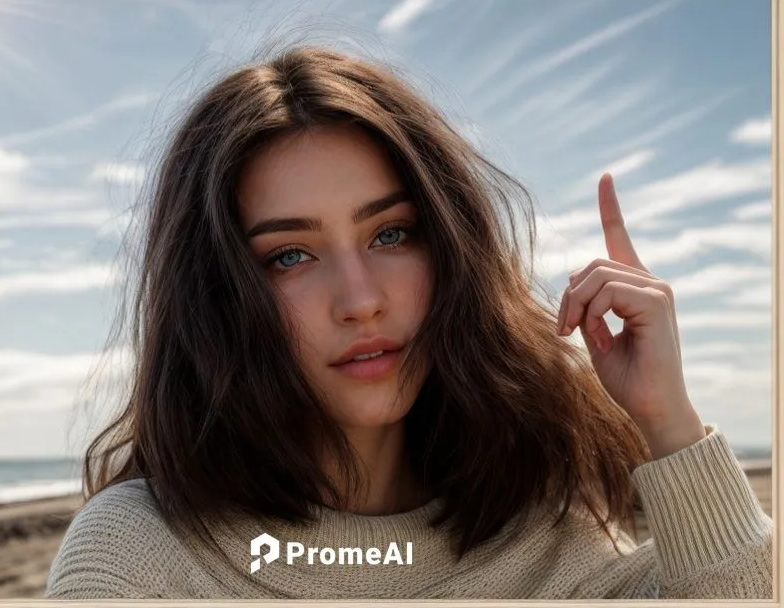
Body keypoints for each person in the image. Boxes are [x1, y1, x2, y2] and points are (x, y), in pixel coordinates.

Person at [44, 45, 773, 600]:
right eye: (290, 255)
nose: (360, 299)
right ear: (217, 294)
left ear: (452, 249)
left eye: (390, 234)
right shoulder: (137, 561)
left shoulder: (544, 534)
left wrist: (669, 422)